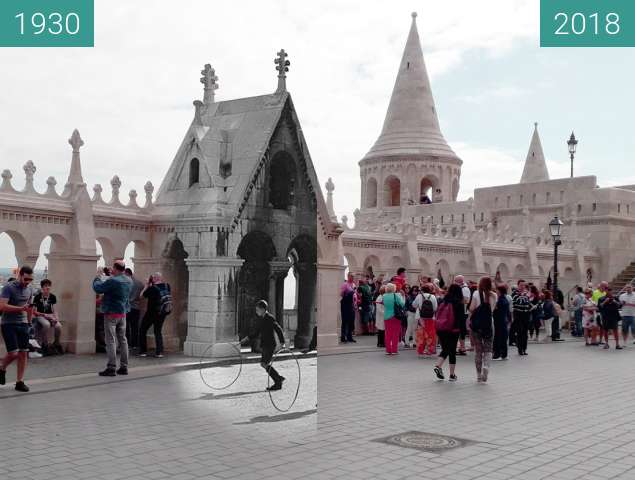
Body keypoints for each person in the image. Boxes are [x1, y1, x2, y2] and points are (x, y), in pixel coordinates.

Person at [92, 261, 133, 376]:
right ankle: (124, 367)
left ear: (115, 268)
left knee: (110, 340)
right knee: (123, 340)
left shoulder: (113, 281)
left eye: (113, 268)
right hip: (123, 313)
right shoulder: (129, 280)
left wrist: (98, 277)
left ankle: (111, 367)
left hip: (111, 313)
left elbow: (98, 288)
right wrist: (111, 275)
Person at [0, 266, 35, 392]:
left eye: (30, 279)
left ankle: (19, 382)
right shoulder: (8, 287)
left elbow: (30, 307)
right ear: (20, 275)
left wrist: (30, 322)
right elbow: (2, 306)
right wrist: (20, 309)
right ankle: (2, 368)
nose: (27, 282)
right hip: (8, 323)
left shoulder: (30, 289)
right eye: (26, 279)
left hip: (23, 323)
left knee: (23, 353)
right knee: (13, 353)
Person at [240, 300, 286, 391]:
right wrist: (247, 338)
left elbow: (278, 329)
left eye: (258, 310)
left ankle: (278, 381)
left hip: (270, 345)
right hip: (265, 344)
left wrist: (282, 342)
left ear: (263, 309)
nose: (256, 312)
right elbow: (257, 332)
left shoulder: (269, 318)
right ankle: (278, 378)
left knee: (264, 363)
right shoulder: (262, 318)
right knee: (264, 364)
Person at [468, 276, 497, 383]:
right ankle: (486, 366)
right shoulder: (494, 295)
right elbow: (492, 309)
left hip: (476, 325)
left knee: (478, 350)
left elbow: (471, 309)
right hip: (489, 324)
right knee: (488, 348)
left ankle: (479, 375)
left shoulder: (476, 294)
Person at [433, 284, 464, 381]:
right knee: (452, 351)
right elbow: (461, 319)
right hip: (453, 329)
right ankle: (451, 374)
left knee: (445, 349)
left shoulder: (444, 300)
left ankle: (439, 366)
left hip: (441, 328)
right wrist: (463, 333)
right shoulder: (458, 303)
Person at [138, 273, 172, 358]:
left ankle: (143, 351)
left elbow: (141, 296)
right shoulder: (167, 285)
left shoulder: (152, 288)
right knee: (158, 331)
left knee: (142, 330)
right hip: (162, 313)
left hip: (151, 313)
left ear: (154, 279)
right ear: (161, 278)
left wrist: (146, 286)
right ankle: (159, 352)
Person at [31, 279, 63, 356]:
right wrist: (44, 314)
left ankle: (56, 343)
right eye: (45, 286)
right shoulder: (37, 297)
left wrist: (56, 318)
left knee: (59, 326)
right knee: (46, 325)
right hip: (40, 316)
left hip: (50, 316)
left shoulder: (52, 297)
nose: (48, 287)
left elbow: (55, 309)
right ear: (42, 287)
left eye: (49, 286)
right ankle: (44, 344)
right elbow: (34, 312)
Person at [413, 283, 437, 355]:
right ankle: (430, 350)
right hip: (431, 317)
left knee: (421, 334)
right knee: (430, 334)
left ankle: (420, 350)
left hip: (421, 317)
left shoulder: (419, 296)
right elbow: (435, 308)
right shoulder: (433, 296)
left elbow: (414, 305)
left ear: (422, 290)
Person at [381, 283, 404, 355]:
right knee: (395, 334)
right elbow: (402, 304)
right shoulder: (396, 295)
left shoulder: (384, 296)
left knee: (388, 334)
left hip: (386, 316)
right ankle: (394, 350)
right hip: (395, 316)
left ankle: (388, 350)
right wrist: (402, 297)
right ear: (393, 288)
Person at [124, 268, 144, 351]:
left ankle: (127, 343)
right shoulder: (140, 283)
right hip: (136, 307)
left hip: (127, 307)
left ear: (127, 274)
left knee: (126, 327)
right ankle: (135, 344)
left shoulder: (126, 283)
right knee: (135, 326)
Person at [512, 279, 531, 356]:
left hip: (526, 314)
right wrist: (522, 295)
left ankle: (524, 348)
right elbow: (515, 302)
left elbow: (528, 302)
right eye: (521, 285)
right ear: (518, 285)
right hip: (518, 314)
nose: (523, 287)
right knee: (520, 332)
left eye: (524, 285)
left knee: (525, 333)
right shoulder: (514, 293)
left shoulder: (527, 293)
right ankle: (520, 349)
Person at [454, 275, 471, 356]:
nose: (454, 283)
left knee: (461, 330)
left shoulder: (465, 289)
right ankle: (460, 347)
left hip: (462, 312)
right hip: (459, 312)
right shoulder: (461, 288)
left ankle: (462, 347)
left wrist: (455, 300)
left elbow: (466, 300)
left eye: (455, 281)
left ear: (459, 281)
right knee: (459, 329)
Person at [492, 283, 510, 360]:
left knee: (498, 337)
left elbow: (495, 310)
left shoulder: (500, 300)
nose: (496, 291)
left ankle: (497, 354)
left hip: (499, 320)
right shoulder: (505, 299)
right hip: (503, 320)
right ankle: (504, 354)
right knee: (503, 338)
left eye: (497, 290)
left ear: (499, 291)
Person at [340, 273, 356, 343]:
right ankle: (343, 337)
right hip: (345, 305)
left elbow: (355, 295)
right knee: (345, 321)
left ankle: (350, 337)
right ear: (348, 276)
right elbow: (341, 294)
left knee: (351, 321)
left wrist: (355, 304)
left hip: (352, 304)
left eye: (353, 276)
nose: (353, 278)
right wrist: (347, 294)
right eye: (351, 276)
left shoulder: (354, 285)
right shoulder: (345, 284)